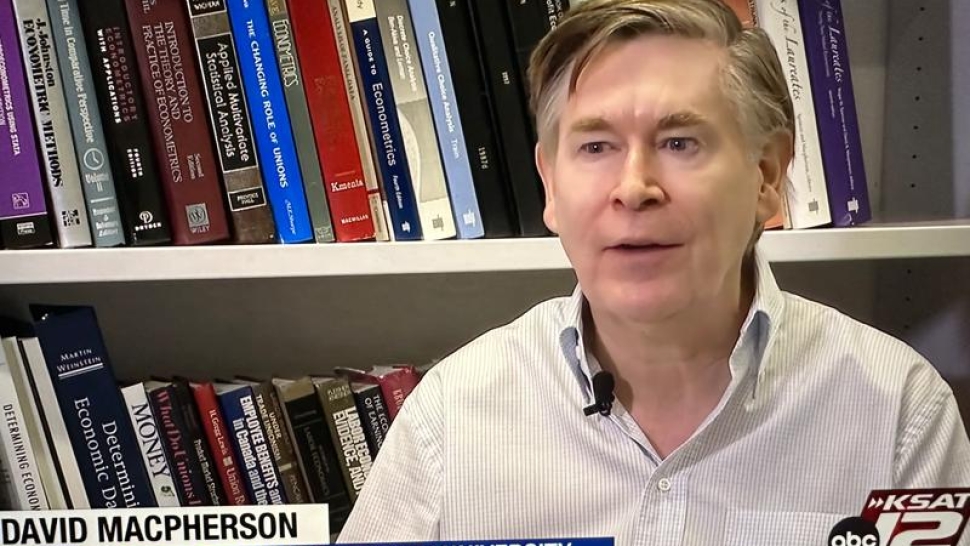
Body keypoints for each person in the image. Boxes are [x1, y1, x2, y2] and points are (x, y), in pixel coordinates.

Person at [337, 0, 970, 544]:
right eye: (596, 146)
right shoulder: (450, 417)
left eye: (679, 143)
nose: (634, 187)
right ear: (550, 185)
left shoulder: (897, 410)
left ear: (767, 176)